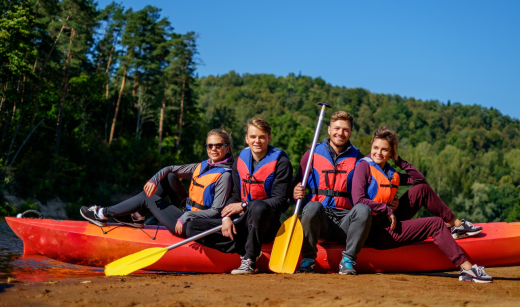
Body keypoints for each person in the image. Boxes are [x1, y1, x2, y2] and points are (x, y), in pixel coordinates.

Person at [352, 126, 492, 283]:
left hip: (389, 221)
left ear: (391, 153)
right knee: (435, 223)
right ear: (371, 147)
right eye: (375, 147)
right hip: (376, 233)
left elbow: (419, 179)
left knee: (422, 190)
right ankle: (467, 269)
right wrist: (386, 209)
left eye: (385, 150)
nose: (378, 153)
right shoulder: (363, 167)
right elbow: (358, 200)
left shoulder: (390, 171)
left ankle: (457, 225)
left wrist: (399, 161)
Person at [185, 118, 293, 274]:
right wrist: (225, 218)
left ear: (269, 138)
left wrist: (244, 206)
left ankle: (249, 260)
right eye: (253, 136)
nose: (257, 141)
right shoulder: (240, 160)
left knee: (257, 205)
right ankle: (244, 249)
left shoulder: (281, 162)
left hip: (266, 224)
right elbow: (235, 195)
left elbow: (280, 201)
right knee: (192, 227)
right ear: (246, 139)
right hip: (241, 222)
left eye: (262, 137)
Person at [79, 129, 234, 237]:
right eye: (210, 145)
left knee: (148, 198)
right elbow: (170, 168)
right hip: (187, 210)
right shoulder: (203, 166)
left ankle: (103, 213)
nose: (213, 149)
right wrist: (154, 179)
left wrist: (186, 216)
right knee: (168, 177)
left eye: (218, 145)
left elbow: (215, 212)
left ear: (227, 148)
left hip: (195, 223)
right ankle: (138, 216)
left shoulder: (225, 176)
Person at [293, 110, 371, 275]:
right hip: (321, 222)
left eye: (345, 130)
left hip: (346, 221)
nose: (340, 133)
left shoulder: (358, 158)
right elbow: (295, 185)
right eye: (337, 128)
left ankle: (348, 261)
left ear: (350, 132)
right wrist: (295, 191)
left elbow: (370, 191)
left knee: (364, 209)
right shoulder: (312, 154)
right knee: (312, 206)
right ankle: (308, 260)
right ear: (329, 130)